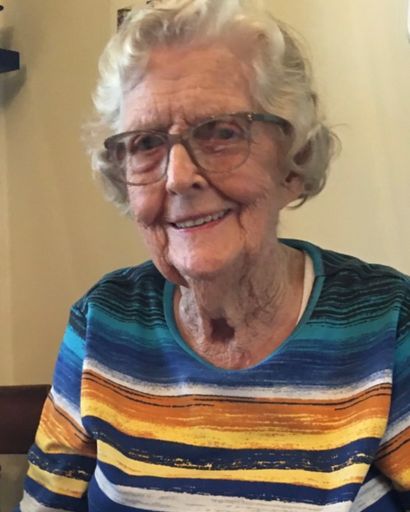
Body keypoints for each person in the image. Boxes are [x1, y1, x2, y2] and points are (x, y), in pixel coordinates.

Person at [17, 0, 410, 511]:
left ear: (293, 161)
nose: (178, 177)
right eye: (146, 143)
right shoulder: (105, 321)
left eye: (222, 132)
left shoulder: (385, 323)